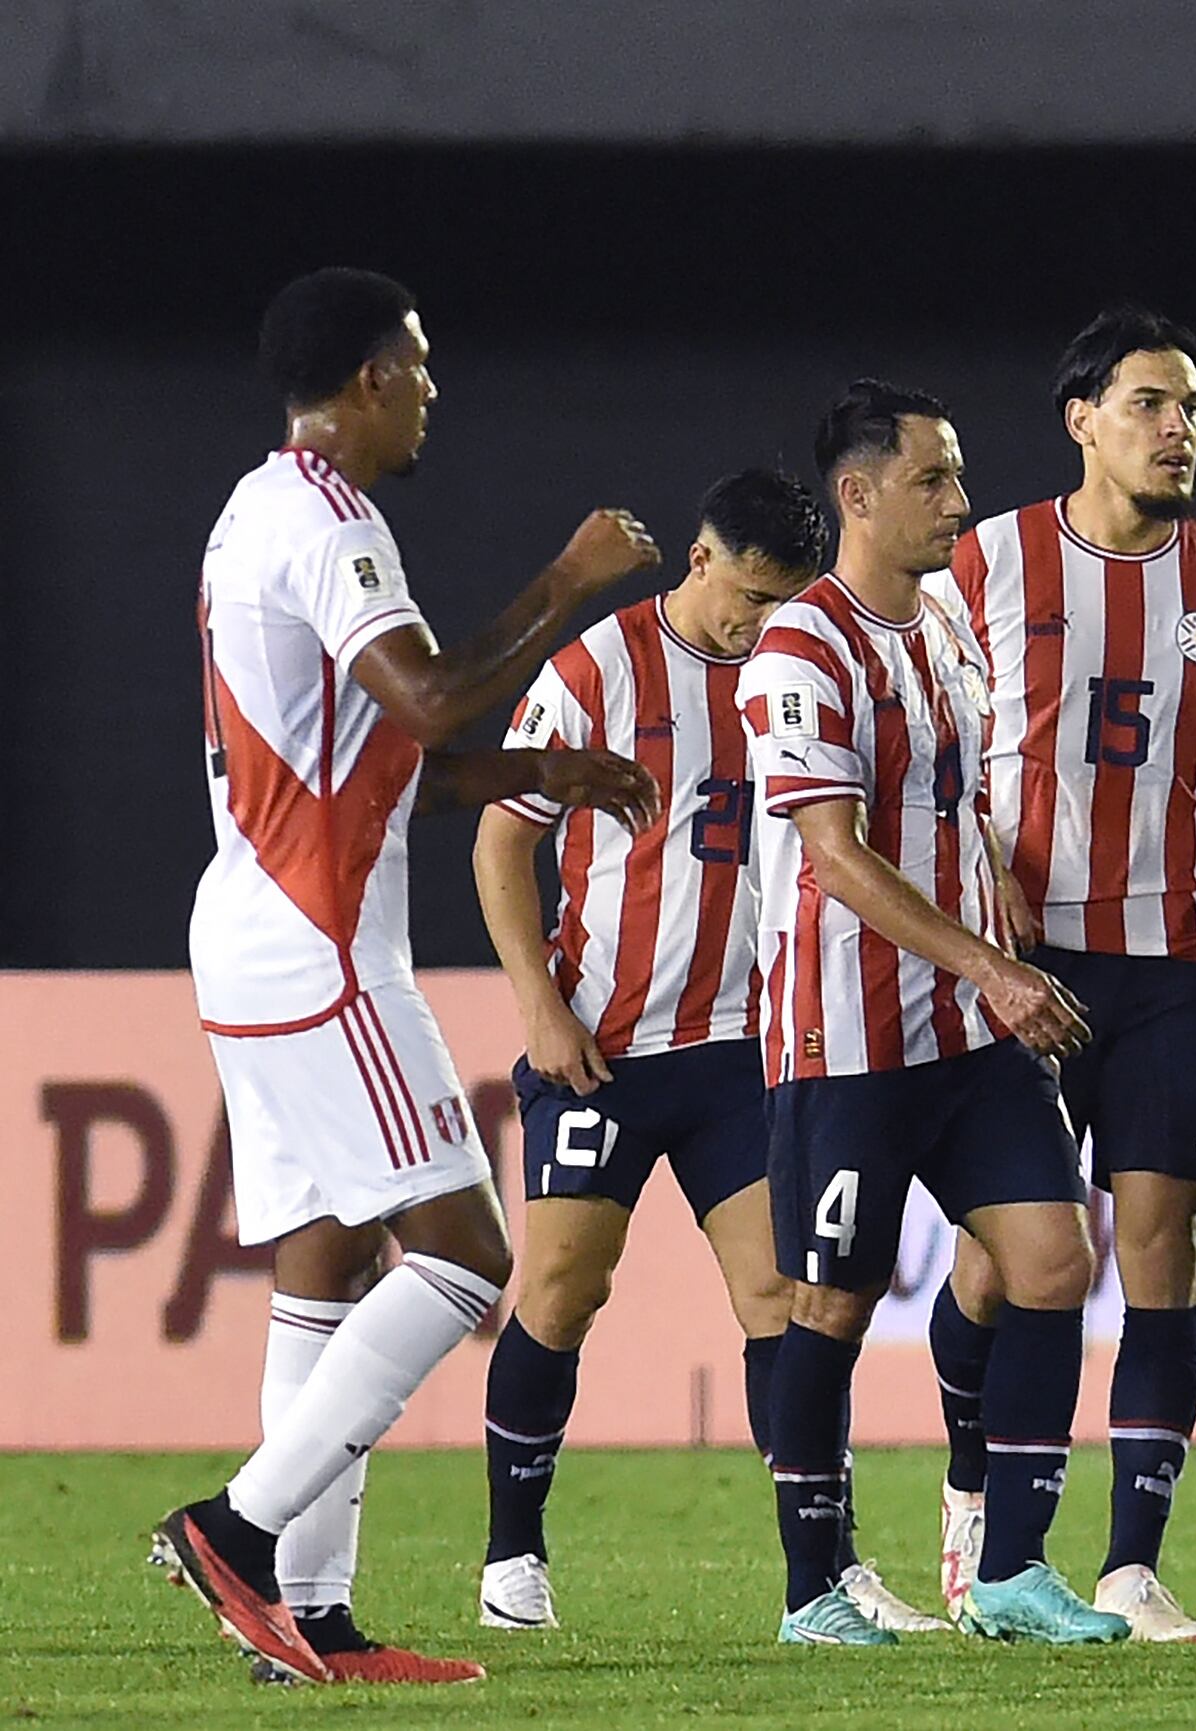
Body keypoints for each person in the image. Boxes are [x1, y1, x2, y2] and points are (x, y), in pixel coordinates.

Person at [155, 267, 662, 1686]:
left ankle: (305, 1620)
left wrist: (539, 769)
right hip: (318, 945)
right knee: (465, 1253)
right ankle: (239, 1529)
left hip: (258, 927)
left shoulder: (252, 511)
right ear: (371, 378)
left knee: (321, 1267)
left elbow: (369, 767)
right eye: (421, 367)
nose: (434, 392)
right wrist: (570, 580)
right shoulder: (329, 521)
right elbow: (429, 698)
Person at [469, 470, 942, 1636]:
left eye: (785, 599)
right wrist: (539, 1005)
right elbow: (500, 843)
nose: (762, 620)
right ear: (698, 560)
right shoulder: (598, 669)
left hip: (743, 1050)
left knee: (784, 1297)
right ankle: (511, 1554)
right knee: (564, 1290)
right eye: (749, 594)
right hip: (605, 1046)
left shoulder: (807, 673)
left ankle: (823, 1574)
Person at [928, 308, 1196, 1642]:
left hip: (1176, 968)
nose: (1177, 427)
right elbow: (919, 736)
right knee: (1004, 1263)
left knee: (1162, 1249)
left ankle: (1130, 1567)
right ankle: (974, 1496)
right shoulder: (980, 564)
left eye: (1191, 406)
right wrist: (974, 862)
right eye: (1149, 402)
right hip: (1023, 964)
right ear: (1080, 418)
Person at [741, 379, 1129, 1649]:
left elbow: (957, 801)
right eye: (932, 481)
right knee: (831, 1306)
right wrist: (997, 969)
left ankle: (1009, 1571)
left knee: (1053, 1263)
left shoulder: (948, 620)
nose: (959, 503)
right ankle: (814, 1587)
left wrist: (997, 892)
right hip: (846, 1037)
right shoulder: (801, 648)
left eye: (957, 477)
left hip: (967, 1031)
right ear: (857, 495)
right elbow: (834, 855)